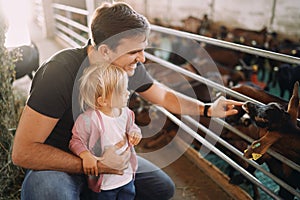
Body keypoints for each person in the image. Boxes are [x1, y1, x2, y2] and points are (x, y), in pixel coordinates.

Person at [12, 2, 244, 200]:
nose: (141, 58)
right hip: (59, 162)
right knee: (52, 194)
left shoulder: (125, 68)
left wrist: (208, 109)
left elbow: (162, 95)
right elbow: (22, 153)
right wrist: (92, 165)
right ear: (105, 51)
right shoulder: (59, 73)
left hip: (108, 158)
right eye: (135, 52)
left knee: (163, 188)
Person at [70, 63, 142, 199]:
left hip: (126, 177)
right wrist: (86, 155)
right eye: (122, 91)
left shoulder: (126, 113)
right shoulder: (89, 119)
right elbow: (76, 140)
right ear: (103, 101)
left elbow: (131, 127)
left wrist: (135, 132)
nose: (128, 93)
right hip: (104, 185)